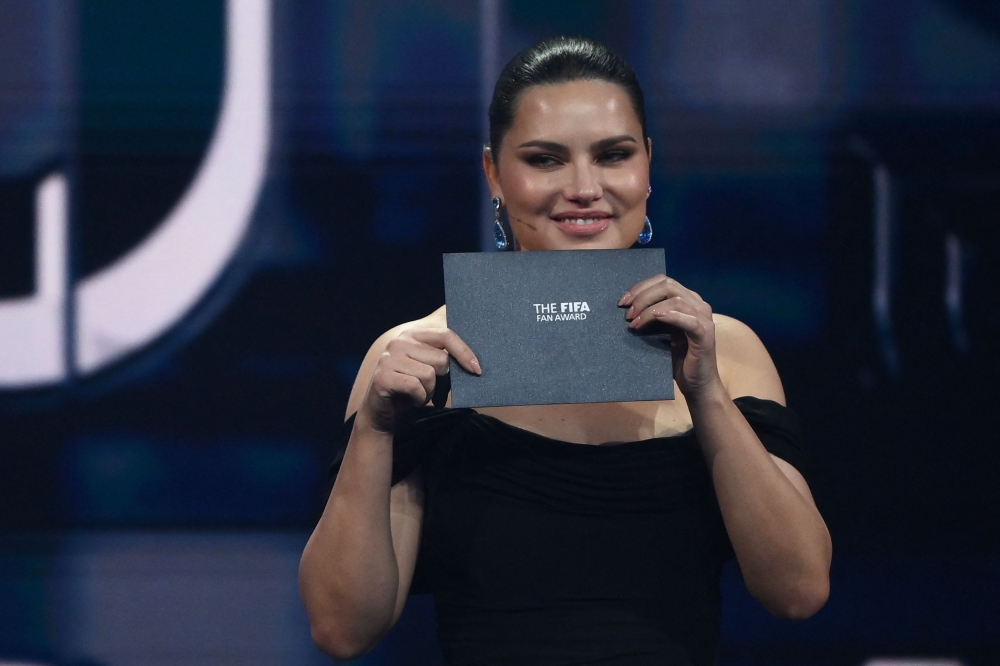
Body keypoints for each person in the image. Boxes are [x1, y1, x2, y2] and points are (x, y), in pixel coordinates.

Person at [299, 36, 831, 665]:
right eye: (546, 160)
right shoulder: (416, 361)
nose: (584, 188)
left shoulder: (728, 351)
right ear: (495, 173)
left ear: (648, 167)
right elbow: (342, 627)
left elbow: (798, 591)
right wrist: (376, 433)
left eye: (613, 155)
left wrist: (707, 393)